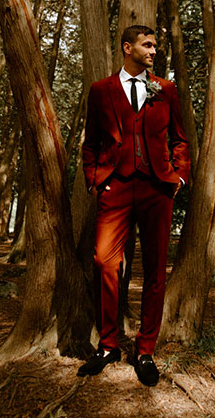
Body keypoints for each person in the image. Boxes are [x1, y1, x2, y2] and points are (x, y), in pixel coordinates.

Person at [77, 24, 190, 387]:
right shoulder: (101, 90)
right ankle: (108, 344)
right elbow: (90, 141)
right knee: (104, 261)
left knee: (156, 269)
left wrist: (179, 178)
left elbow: (180, 139)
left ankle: (145, 350)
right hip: (116, 188)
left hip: (158, 188)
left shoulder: (166, 90)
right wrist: (96, 180)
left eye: (155, 45)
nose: (154, 50)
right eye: (147, 44)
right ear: (128, 48)